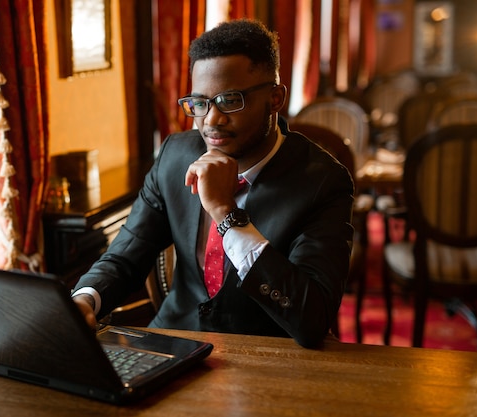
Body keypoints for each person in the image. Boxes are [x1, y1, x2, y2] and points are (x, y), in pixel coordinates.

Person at [71, 18, 354, 348]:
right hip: (172, 344)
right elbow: (124, 259)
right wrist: (83, 301)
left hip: (267, 362)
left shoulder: (323, 182)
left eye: (230, 101)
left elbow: (312, 320)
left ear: (275, 99)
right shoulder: (175, 156)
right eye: (200, 103)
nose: (211, 120)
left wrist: (226, 213)